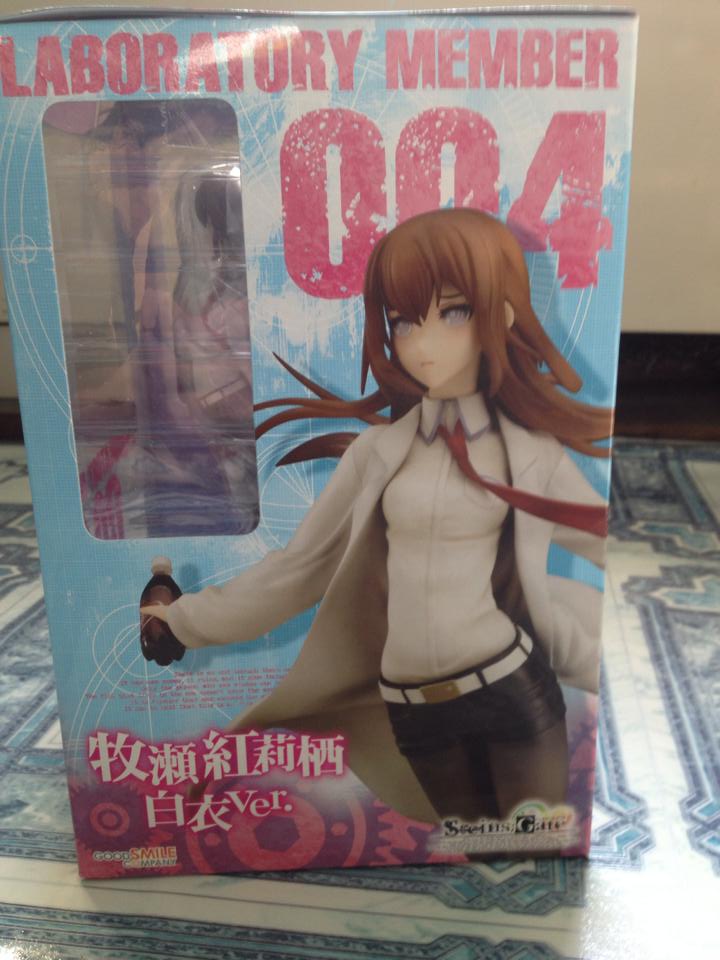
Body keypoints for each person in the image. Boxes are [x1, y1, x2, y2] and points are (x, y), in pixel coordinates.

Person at [142, 208, 611, 824]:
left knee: (534, 839)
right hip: (414, 709)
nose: (423, 343)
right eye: (404, 321)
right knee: (474, 845)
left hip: (512, 688)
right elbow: (298, 570)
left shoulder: (530, 456)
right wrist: (184, 621)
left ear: (499, 315)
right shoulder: (378, 454)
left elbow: (604, 539)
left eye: (454, 312)